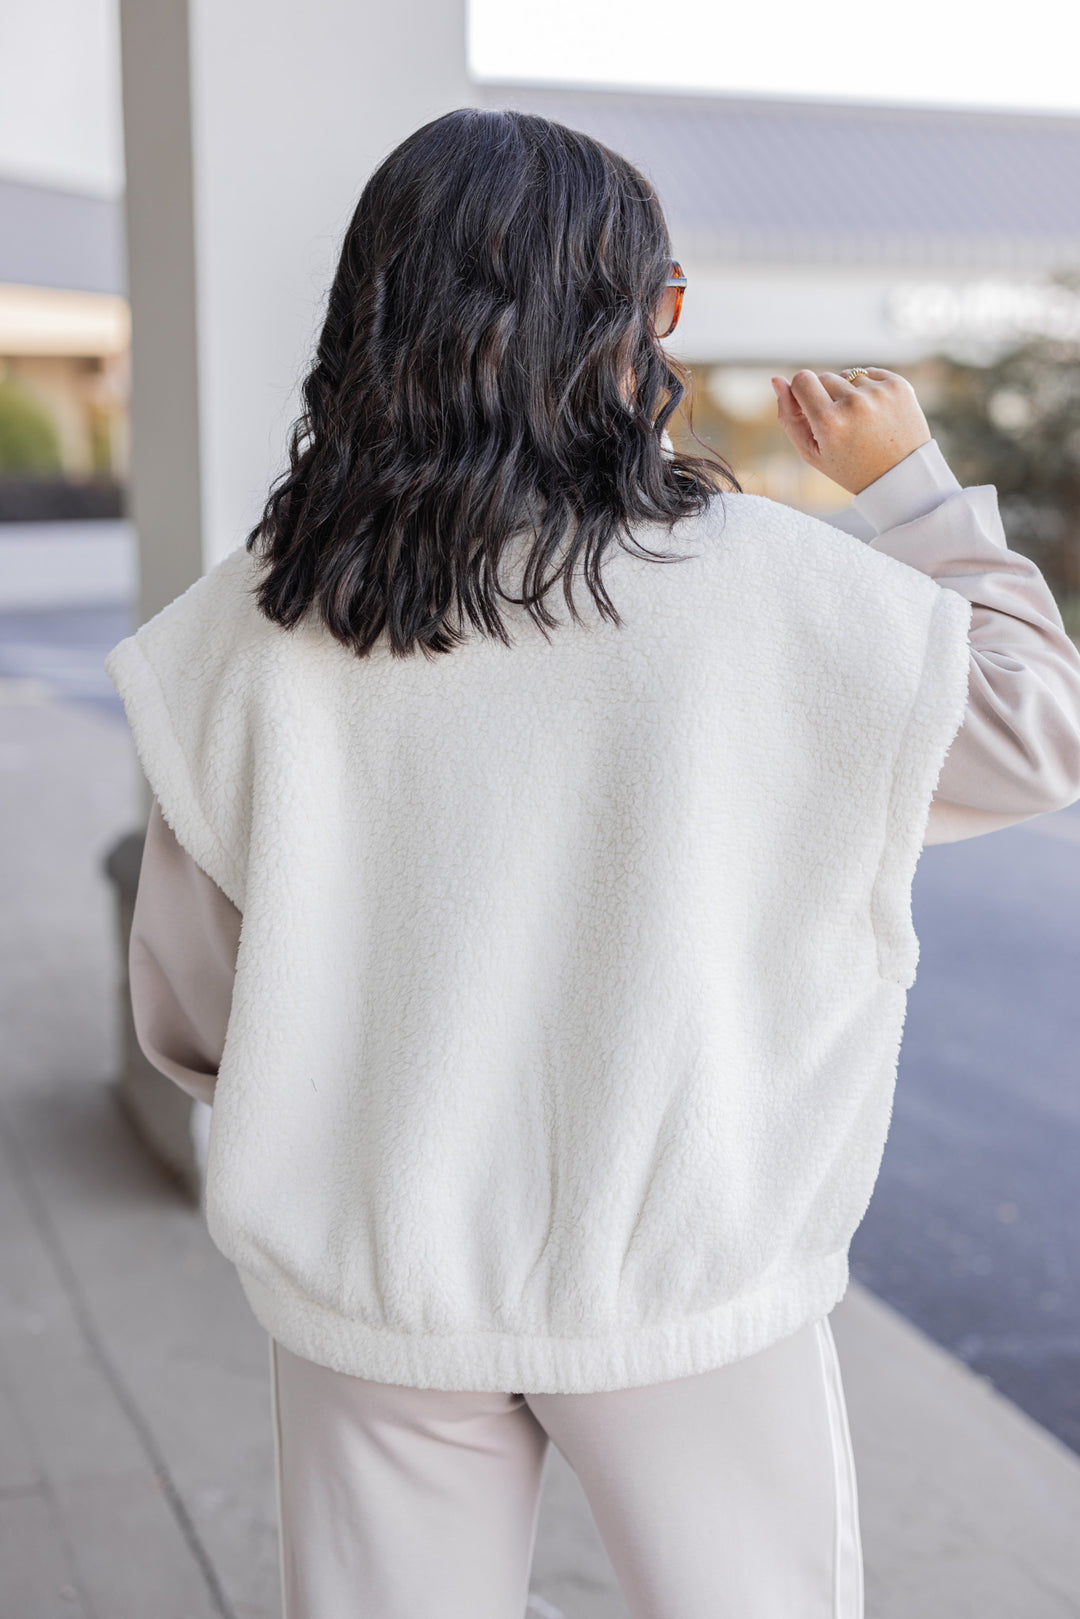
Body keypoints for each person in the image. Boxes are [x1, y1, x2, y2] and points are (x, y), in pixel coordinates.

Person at [106, 108, 1080, 1619]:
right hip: (692, 1283)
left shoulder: (241, 631)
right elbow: (1042, 735)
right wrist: (915, 494)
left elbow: (193, 1014)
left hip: (375, 1288)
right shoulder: (776, 598)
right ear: (640, 321)